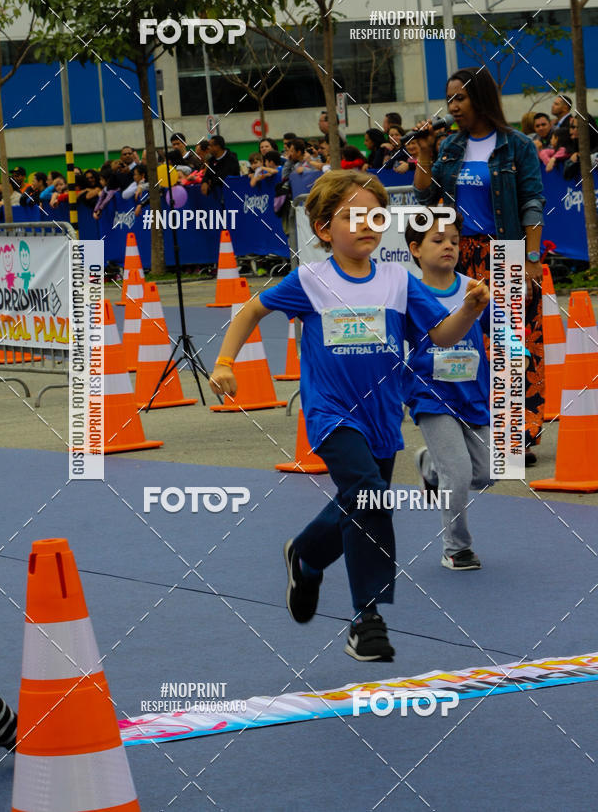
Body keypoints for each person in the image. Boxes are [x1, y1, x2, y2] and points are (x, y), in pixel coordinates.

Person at [209, 169, 489, 661]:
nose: (366, 223)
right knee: (369, 498)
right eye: (351, 215)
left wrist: (468, 310)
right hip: (332, 415)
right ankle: (368, 620)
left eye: (374, 215)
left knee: (360, 500)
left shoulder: (398, 281)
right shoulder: (311, 281)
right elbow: (251, 310)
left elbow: (442, 334)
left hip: (383, 418)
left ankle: (306, 554)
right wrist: (225, 361)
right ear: (323, 229)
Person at [412, 66, 545, 465]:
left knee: (511, 341)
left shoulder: (516, 145)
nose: (452, 107)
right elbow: (425, 197)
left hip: (504, 254)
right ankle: (476, 427)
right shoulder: (451, 148)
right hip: (460, 253)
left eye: (460, 99)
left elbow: (532, 203)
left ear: (481, 99)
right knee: (471, 344)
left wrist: (532, 259)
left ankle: (517, 433)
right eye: (449, 100)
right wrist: (423, 151)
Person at [404, 210, 490, 570]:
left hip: (473, 394)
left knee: (485, 473)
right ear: (416, 249)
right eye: (437, 240)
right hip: (431, 395)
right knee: (457, 473)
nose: (449, 247)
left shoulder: (474, 288)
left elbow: (499, 330)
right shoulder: (409, 293)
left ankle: (429, 466)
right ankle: (457, 548)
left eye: (454, 240)